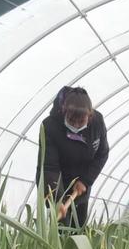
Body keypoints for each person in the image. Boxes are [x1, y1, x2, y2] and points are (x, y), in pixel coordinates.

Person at [36, 86, 109, 229]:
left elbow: (102, 154)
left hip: (81, 183)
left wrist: (86, 180)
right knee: (60, 228)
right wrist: (57, 201)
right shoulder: (50, 126)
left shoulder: (97, 123)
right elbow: (50, 167)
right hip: (56, 181)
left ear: (90, 115)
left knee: (78, 225)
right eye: (71, 120)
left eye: (81, 121)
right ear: (64, 111)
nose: (75, 125)